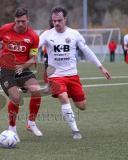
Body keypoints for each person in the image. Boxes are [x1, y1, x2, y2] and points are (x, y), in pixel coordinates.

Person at [39, 7, 111, 139]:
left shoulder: (74, 34)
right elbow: (34, 47)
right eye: (54, 21)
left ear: (65, 19)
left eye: (59, 20)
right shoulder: (47, 35)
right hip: (55, 75)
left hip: (72, 75)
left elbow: (87, 51)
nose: (56, 23)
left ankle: (67, 110)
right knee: (63, 97)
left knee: (82, 106)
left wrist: (101, 67)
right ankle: (75, 130)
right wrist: (29, 57)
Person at [0, 7, 42, 142]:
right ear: (14, 20)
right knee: (16, 97)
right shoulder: (6, 29)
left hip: (23, 69)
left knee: (36, 90)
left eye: (23, 21)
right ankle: (12, 128)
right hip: (6, 69)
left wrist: (23, 66)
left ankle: (31, 123)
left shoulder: (34, 37)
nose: (20, 24)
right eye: (18, 21)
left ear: (28, 20)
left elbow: (34, 58)